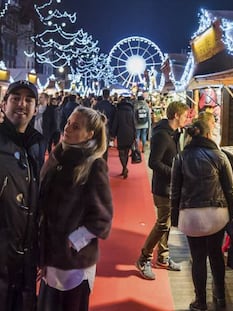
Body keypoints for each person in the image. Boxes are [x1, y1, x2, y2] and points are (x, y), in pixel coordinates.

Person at [37, 106, 113, 311]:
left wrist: (72, 241)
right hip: (50, 255)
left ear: (90, 134)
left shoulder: (93, 165)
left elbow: (102, 219)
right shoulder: (58, 155)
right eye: (68, 123)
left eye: (76, 126)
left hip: (73, 263)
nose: (67, 128)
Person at [171, 118, 233, 311]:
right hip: (217, 214)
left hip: (191, 216)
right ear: (209, 134)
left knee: (197, 257)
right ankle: (220, 296)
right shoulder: (219, 156)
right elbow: (230, 190)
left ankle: (200, 301)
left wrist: (175, 218)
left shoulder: (180, 157)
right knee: (216, 254)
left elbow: (175, 191)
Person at [0, 80, 42, 311]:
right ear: (4, 104)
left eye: (28, 100)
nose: (21, 104)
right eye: (15, 98)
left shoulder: (37, 144)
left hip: (27, 256)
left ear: (36, 108)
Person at [136, 101, 189, 280]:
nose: (186, 119)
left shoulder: (173, 133)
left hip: (171, 187)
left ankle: (163, 257)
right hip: (163, 187)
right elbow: (154, 162)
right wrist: (174, 173)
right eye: (184, 116)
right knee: (162, 224)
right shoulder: (162, 135)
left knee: (167, 223)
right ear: (176, 116)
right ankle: (144, 258)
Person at [111, 95, 136, 178]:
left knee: (121, 153)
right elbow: (134, 124)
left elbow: (115, 124)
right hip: (130, 133)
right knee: (126, 152)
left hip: (121, 134)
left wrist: (113, 134)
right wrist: (135, 135)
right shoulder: (131, 112)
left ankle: (124, 167)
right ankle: (124, 168)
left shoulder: (118, 112)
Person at [94, 88, 116, 161]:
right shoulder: (111, 106)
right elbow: (113, 119)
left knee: (97, 145)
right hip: (107, 127)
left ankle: (98, 162)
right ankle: (104, 163)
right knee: (105, 146)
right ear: (109, 95)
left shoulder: (97, 105)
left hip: (98, 126)